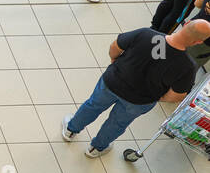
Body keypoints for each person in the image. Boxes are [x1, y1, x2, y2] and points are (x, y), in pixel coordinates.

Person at [62, 19, 210, 157]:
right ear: (198, 42)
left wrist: (114, 61)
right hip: (139, 101)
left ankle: (70, 130)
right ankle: (96, 148)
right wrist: (156, 97)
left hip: (112, 83)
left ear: (186, 23)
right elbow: (177, 95)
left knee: (93, 105)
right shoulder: (187, 67)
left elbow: (115, 46)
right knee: (117, 123)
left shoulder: (146, 34)